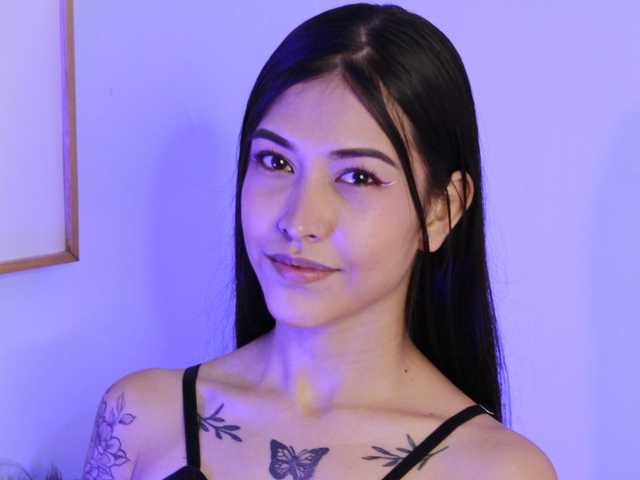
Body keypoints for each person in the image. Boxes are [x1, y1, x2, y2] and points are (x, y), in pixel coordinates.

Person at [82, 3, 557, 479]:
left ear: (440, 211)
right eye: (276, 162)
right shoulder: (139, 418)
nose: (299, 220)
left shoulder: (498, 469)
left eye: (358, 176)